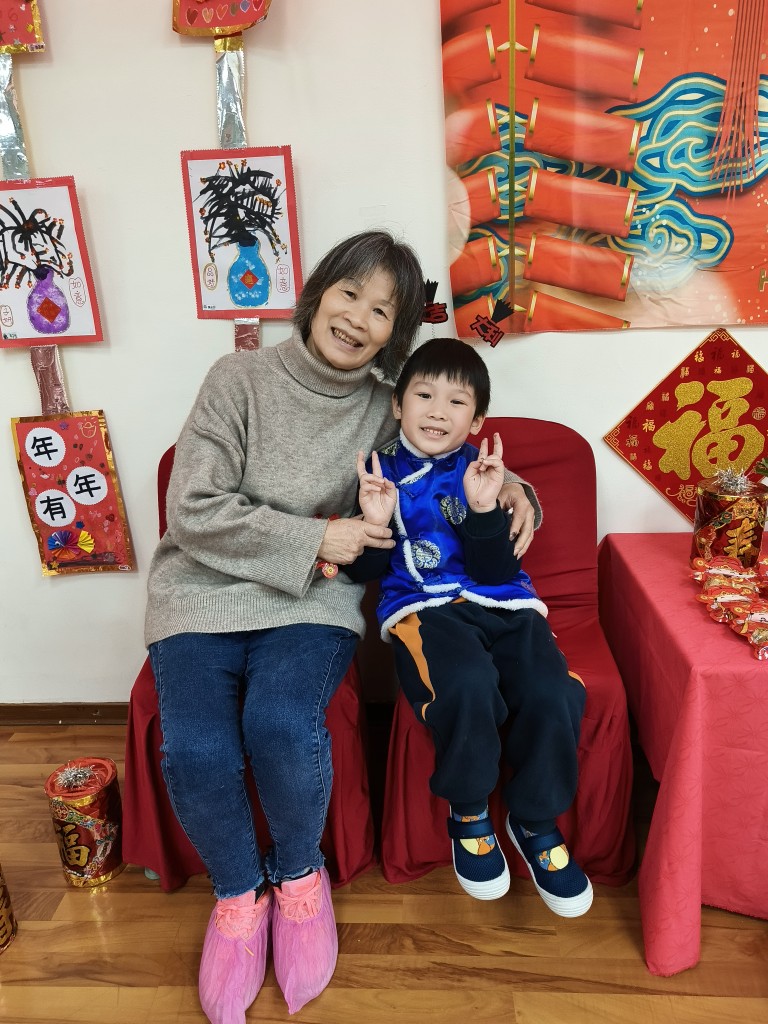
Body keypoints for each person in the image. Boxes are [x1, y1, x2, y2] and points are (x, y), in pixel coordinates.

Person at [144, 231, 540, 1024]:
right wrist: (316, 536)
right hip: (202, 596)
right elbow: (191, 509)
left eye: (383, 311)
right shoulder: (237, 378)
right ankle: (237, 895)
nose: (359, 318)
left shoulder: (385, 404)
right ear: (318, 293)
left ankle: (298, 879)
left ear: (397, 333)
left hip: (310, 602)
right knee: (196, 749)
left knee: (282, 723)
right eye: (350, 294)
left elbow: (442, 447)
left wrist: (519, 491)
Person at [347, 337, 592, 918]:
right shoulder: (379, 471)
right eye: (424, 396)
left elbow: (497, 570)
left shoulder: (486, 473)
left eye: (456, 402)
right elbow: (363, 573)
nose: (437, 412)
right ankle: (469, 811)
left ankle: (535, 820)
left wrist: (484, 509)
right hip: (426, 611)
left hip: (506, 603)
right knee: (466, 684)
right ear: (397, 404)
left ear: (477, 420)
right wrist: (374, 525)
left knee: (554, 691)